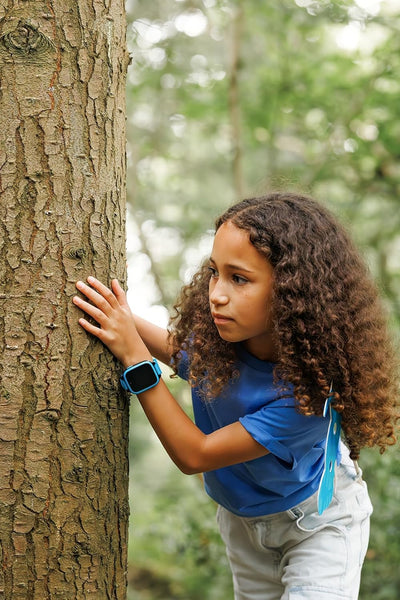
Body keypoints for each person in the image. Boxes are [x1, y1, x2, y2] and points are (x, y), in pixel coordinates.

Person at [73, 192, 398, 600]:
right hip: (243, 522)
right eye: (214, 273)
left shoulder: (310, 397)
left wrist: (136, 360)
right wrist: (114, 314)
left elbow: (196, 455)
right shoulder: (223, 346)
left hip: (318, 523)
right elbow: (177, 349)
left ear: (293, 293)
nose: (216, 294)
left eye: (239, 278)